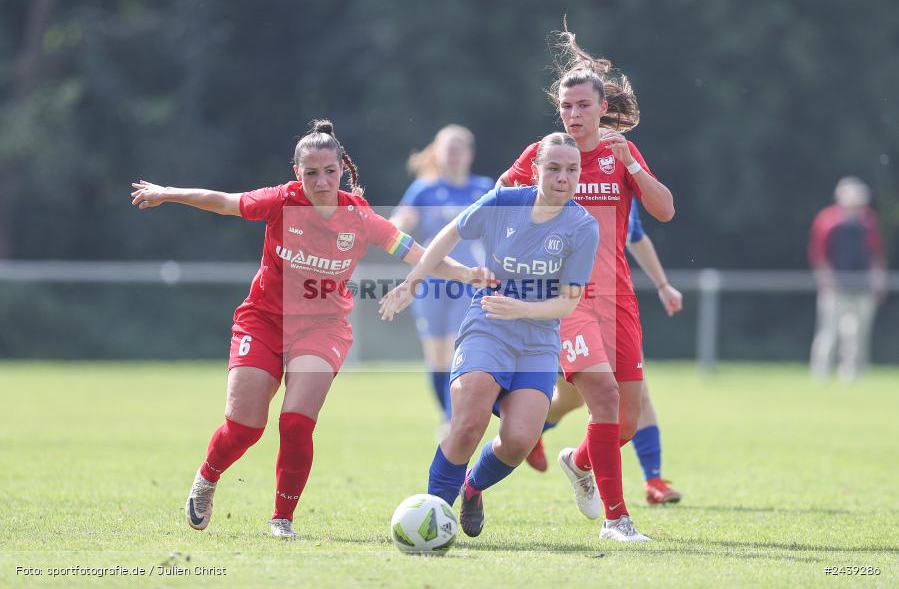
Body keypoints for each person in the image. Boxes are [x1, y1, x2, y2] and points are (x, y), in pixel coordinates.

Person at [129, 120, 489, 539]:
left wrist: (468, 274)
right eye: (311, 172)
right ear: (297, 173)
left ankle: (282, 520)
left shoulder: (360, 217)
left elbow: (418, 253)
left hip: (324, 327)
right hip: (263, 319)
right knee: (245, 426)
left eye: (330, 171)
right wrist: (167, 193)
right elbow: (226, 202)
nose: (321, 181)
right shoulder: (282, 201)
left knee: (297, 422)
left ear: (343, 170)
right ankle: (207, 478)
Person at [495, 27, 674, 541]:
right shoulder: (543, 154)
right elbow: (496, 203)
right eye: (565, 106)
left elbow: (664, 210)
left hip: (617, 296)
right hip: (565, 300)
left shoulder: (623, 154)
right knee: (603, 397)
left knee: (627, 423)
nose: (573, 115)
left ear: (601, 108)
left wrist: (633, 167)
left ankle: (578, 460)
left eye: (581, 106)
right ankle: (618, 521)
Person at [380, 132, 599, 538]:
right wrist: (412, 282)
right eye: (553, 168)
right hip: (487, 327)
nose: (563, 178)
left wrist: (524, 309)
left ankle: (473, 488)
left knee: (518, 441)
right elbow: (450, 232)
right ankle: (434, 520)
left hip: (537, 342)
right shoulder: (504, 202)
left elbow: (569, 302)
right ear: (535, 170)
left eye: (572, 169)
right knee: (466, 426)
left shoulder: (583, 226)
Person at [525, 198, 683, 505]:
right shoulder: (560, 182)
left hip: (612, 308)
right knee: (569, 399)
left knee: (637, 396)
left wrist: (663, 285)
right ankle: (529, 431)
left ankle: (653, 480)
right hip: (570, 308)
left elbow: (636, 237)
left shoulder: (619, 184)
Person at [390, 125, 493, 423]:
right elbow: (401, 219)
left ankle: (455, 420)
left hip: (468, 281)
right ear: (437, 153)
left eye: (459, 149)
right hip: (430, 283)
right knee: (436, 357)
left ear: (470, 154)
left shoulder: (484, 188)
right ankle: (448, 417)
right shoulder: (424, 189)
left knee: (457, 350)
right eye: (448, 149)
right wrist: (394, 225)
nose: (453, 155)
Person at [809, 176, 886, 382]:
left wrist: (877, 280)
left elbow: (875, 253)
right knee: (829, 333)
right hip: (835, 286)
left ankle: (853, 376)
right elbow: (819, 254)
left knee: (858, 334)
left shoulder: (869, 221)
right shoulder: (827, 220)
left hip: (863, 286)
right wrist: (826, 280)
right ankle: (821, 375)